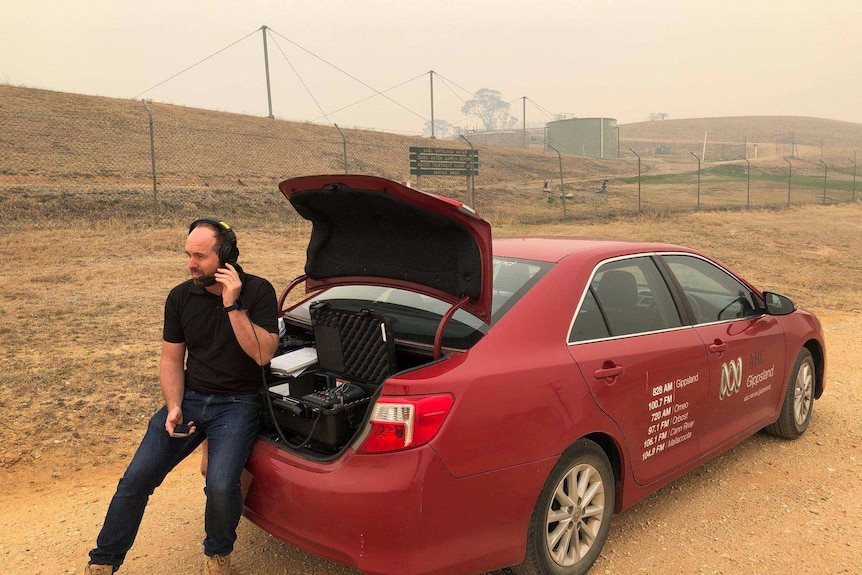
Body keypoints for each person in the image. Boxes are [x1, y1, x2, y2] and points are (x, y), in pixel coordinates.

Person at [85, 218, 279, 575]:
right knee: (136, 479)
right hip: (190, 398)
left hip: (238, 404)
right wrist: (174, 405)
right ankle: (103, 561)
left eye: (200, 256)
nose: (190, 264)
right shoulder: (179, 297)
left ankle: (218, 554)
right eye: (188, 255)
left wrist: (232, 305)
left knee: (221, 485)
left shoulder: (259, 291)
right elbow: (172, 359)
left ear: (227, 256)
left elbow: (263, 354)